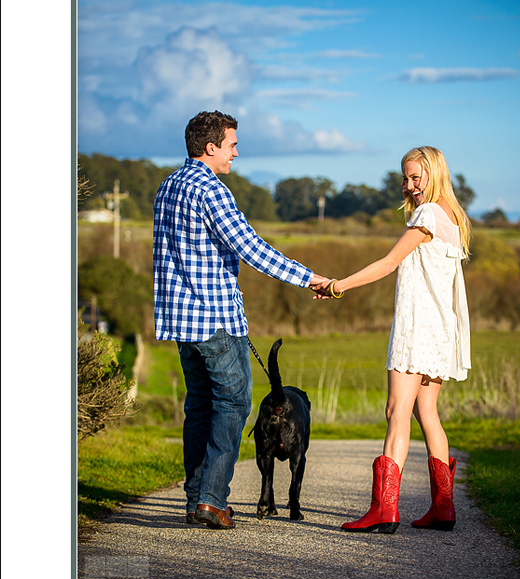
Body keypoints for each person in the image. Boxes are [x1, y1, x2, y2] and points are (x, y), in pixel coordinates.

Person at [153, 110, 330, 531]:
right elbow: (252, 247)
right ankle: (212, 501)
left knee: (199, 408)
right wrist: (310, 278)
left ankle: (197, 499)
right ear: (211, 147)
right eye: (232, 144)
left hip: (180, 320)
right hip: (216, 322)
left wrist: (225, 278)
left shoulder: (167, 186)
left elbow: (183, 255)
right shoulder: (211, 190)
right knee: (233, 404)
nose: (236, 152)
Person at [313, 145, 471, 534]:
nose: (409, 185)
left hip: (416, 327)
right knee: (426, 413)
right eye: (405, 178)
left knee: (396, 411)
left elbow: (388, 263)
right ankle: (443, 508)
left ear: (435, 174)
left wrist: (337, 286)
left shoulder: (427, 213)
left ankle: (384, 510)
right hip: (440, 330)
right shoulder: (454, 217)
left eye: (416, 177)